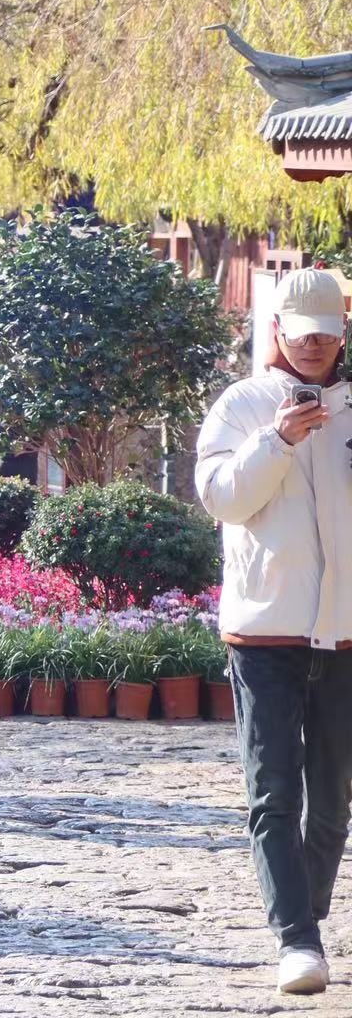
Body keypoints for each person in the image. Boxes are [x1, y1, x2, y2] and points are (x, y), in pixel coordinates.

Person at [196, 266, 352, 997]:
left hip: (345, 634)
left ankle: (305, 914)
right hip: (265, 633)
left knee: (333, 799)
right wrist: (277, 441)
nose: (315, 345)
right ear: (280, 334)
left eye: (328, 332)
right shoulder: (243, 404)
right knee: (273, 794)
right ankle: (297, 937)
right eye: (304, 333)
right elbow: (222, 498)